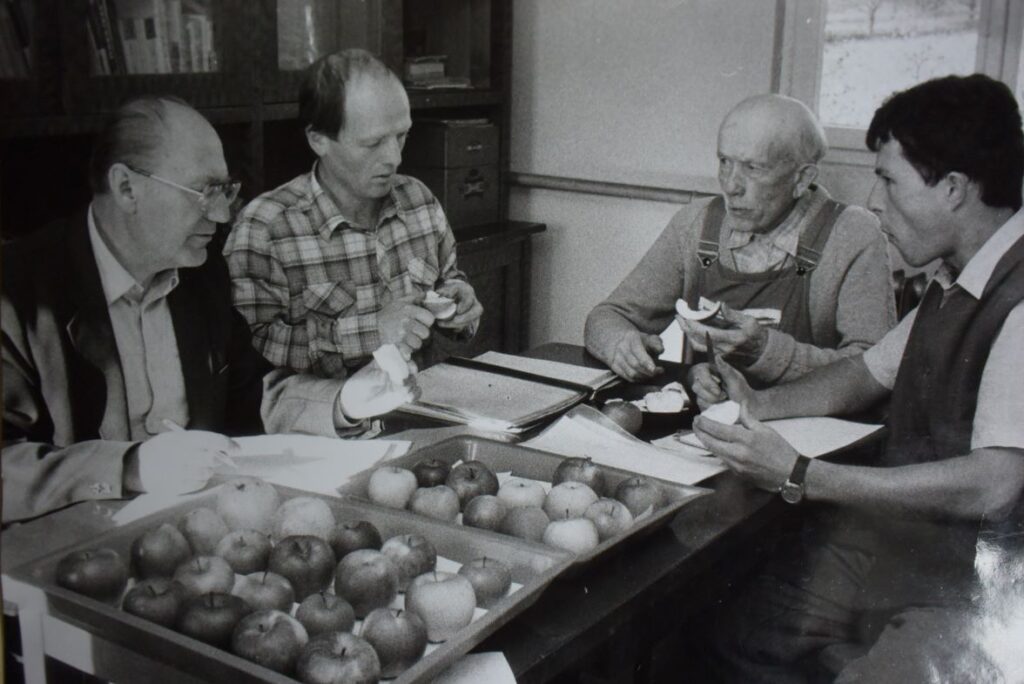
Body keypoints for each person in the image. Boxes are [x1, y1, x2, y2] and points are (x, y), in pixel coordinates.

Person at [692, 74, 1024, 682]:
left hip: (982, 592)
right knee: (737, 629)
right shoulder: (956, 276)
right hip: (911, 547)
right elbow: (866, 372)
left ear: (953, 189)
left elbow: (995, 486)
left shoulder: (1019, 298)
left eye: (890, 182)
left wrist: (801, 475)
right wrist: (761, 404)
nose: (874, 202)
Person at [1, 95, 415, 523]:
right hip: (68, 555)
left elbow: (247, 395)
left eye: (226, 191)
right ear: (127, 188)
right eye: (204, 192)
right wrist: (130, 467)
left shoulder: (200, 271)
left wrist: (345, 401)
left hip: (199, 532)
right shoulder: (16, 292)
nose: (222, 215)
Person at [585, 94, 895, 398]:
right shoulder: (696, 224)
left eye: (753, 168)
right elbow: (607, 316)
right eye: (724, 162)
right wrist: (621, 344)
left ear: (802, 179)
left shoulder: (853, 234)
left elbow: (876, 370)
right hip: (710, 427)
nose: (731, 186)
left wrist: (763, 351)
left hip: (809, 431)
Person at [224, 49, 483, 378]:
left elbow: (449, 280)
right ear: (319, 140)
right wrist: (372, 331)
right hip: (320, 425)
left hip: (417, 408)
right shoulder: (265, 228)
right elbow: (254, 348)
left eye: (401, 136)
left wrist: (459, 306)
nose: (394, 158)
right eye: (372, 143)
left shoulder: (419, 200)